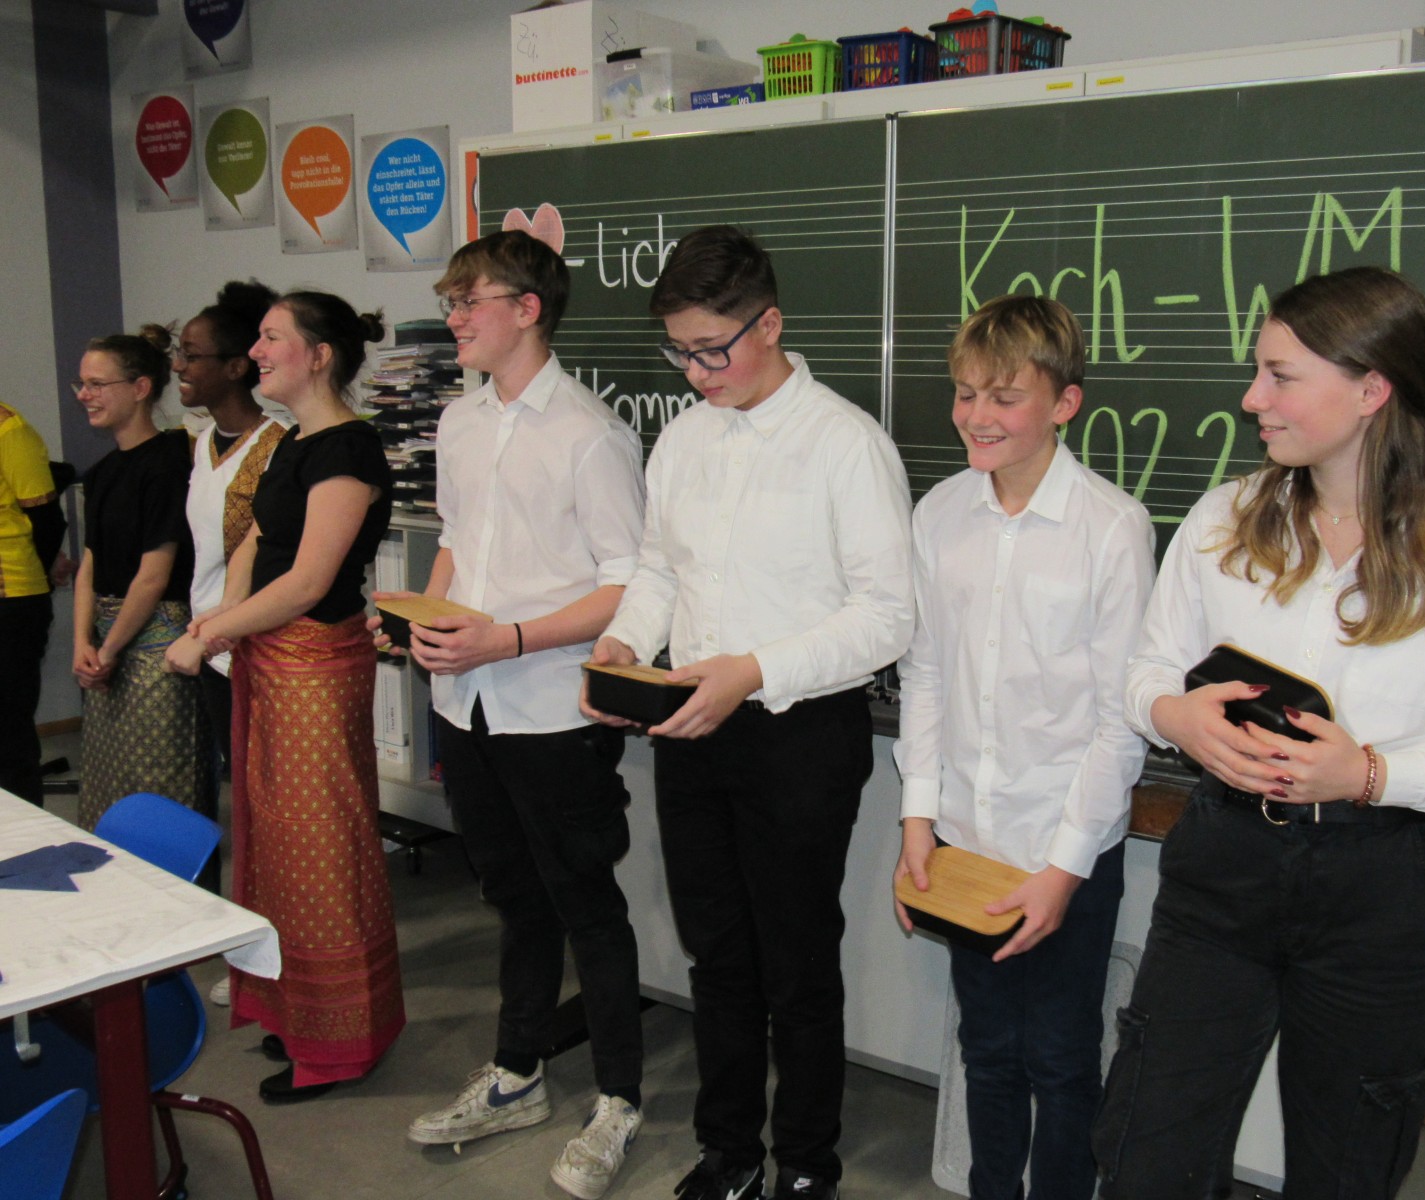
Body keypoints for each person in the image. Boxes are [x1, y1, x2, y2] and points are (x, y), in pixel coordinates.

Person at [1092, 266, 1425, 1198]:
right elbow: (1148, 670)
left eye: (1280, 376)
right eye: (1258, 373)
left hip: (1382, 887)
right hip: (1223, 867)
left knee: (1347, 1166)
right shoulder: (1225, 519)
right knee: (1147, 1150)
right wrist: (1175, 714)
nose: (1252, 399)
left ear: (1370, 389)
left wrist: (1370, 774)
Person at [583, 225, 915, 1200]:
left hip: (799, 735)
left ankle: (806, 1162)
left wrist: (754, 670)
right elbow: (658, 570)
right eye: (679, 353)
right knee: (716, 954)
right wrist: (623, 644)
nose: (695, 374)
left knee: (797, 964)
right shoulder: (685, 438)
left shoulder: (845, 444)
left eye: (711, 350)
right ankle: (727, 1153)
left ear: (769, 324)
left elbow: (887, 618)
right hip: (691, 726)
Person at [377, 230, 648, 1200]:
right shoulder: (460, 421)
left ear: (527, 310)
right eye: (450, 301)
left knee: (585, 903)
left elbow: (629, 585)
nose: (454, 318)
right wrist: (427, 617)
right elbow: (455, 542)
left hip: (552, 709)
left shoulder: (589, 433)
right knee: (510, 896)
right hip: (467, 702)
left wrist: (510, 640)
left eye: (470, 301)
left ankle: (619, 1100)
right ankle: (517, 1072)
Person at [892, 294, 1154, 1200]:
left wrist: (1064, 870)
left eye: (1004, 397)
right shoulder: (940, 515)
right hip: (967, 840)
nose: (977, 415)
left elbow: (1121, 720)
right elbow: (926, 673)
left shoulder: (1111, 528)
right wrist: (918, 821)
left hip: (1062, 850)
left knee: (1062, 1059)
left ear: (1064, 404)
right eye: (965, 394)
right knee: (988, 1050)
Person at [165, 291, 403, 1103]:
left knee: (322, 853)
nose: (258, 351)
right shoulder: (292, 440)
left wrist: (209, 637)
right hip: (268, 662)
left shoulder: (349, 448)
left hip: (314, 670)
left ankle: (340, 1042)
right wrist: (222, 619)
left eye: (272, 338)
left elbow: (308, 581)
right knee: (273, 848)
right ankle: (298, 1013)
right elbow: (258, 541)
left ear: (320, 355)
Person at [72, 326, 209, 830]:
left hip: (156, 649)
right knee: (109, 786)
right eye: (82, 384)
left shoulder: (170, 463)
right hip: (108, 644)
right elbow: (90, 564)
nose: (85, 395)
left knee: (158, 785)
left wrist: (107, 652)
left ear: (140, 388)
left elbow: (154, 576)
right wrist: (83, 644)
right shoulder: (102, 472)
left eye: (97, 384)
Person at [175, 280, 286, 797]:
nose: (178, 367)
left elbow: (271, 556)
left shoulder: (277, 446)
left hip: (255, 642)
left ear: (237, 367)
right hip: (207, 637)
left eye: (192, 356)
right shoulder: (201, 444)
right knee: (237, 778)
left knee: (265, 781)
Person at [0, 400, 65, 806]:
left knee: (8, 734)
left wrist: (42, 574)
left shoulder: (9, 430)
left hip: (12, 600)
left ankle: (23, 836)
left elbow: (47, 522)